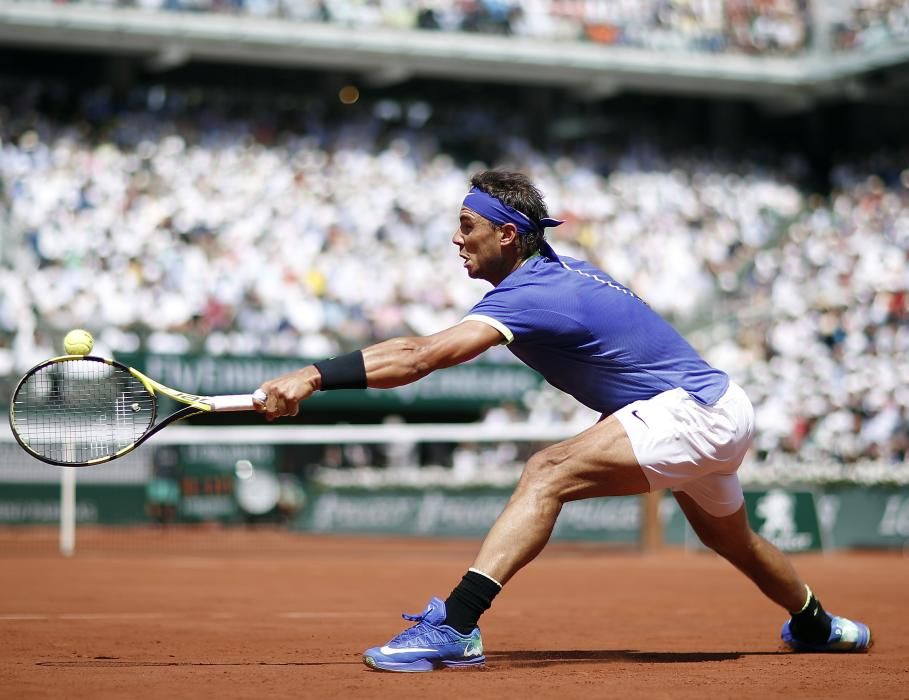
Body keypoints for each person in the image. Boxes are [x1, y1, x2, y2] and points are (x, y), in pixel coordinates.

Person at [254, 170, 871, 672]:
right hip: (719, 406)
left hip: (694, 411)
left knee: (546, 471)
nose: (456, 239)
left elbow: (419, 358)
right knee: (731, 540)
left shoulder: (534, 293)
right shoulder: (558, 274)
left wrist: (311, 376)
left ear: (508, 235)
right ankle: (820, 626)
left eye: (466, 227)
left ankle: (457, 627)